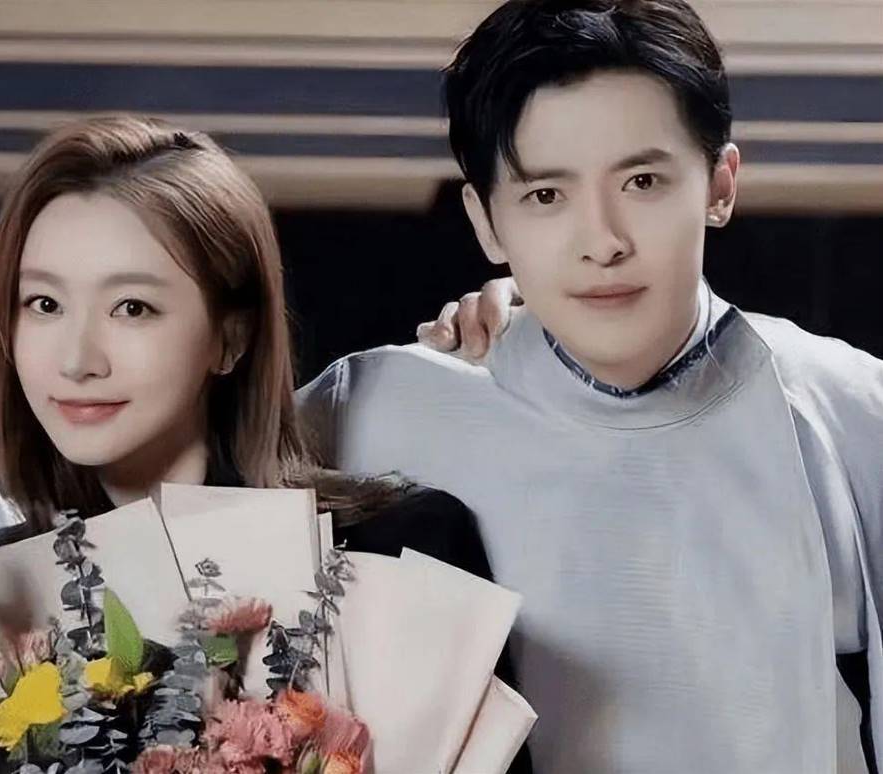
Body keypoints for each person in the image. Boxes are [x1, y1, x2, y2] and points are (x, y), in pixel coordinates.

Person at [296, 1, 883, 772]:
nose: (602, 242)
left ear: (719, 184)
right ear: (486, 220)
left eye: (642, 181)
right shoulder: (368, 408)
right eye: (546, 195)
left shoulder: (850, 411)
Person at [0, 114, 531, 773]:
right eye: (44, 304)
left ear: (232, 337)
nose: (77, 360)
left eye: (132, 307)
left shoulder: (403, 546)